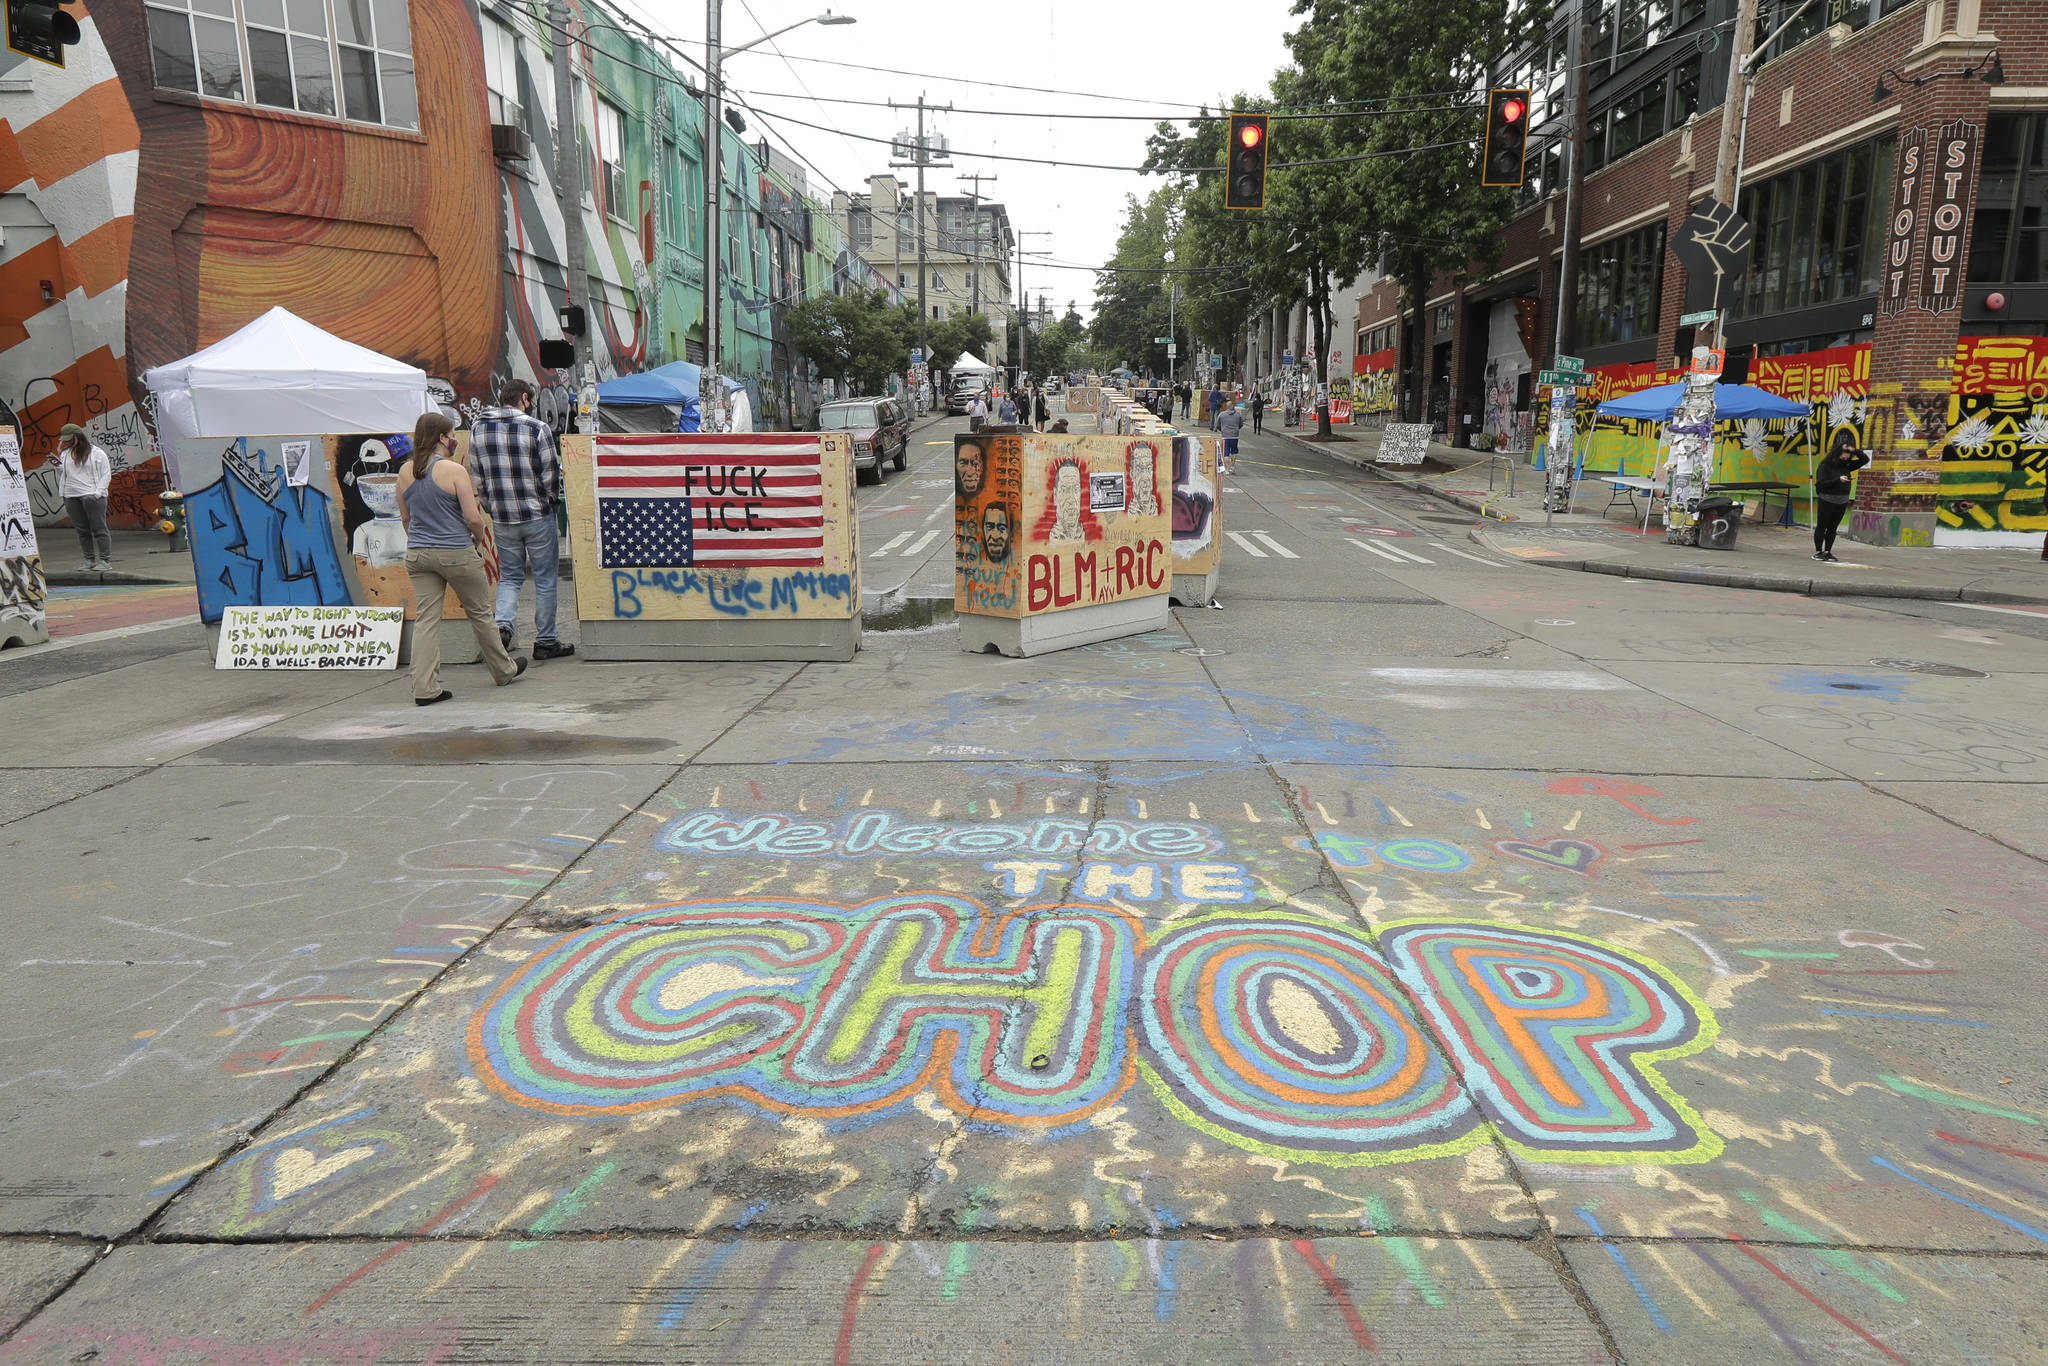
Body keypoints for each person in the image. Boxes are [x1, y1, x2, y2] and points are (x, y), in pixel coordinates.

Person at [398, 413, 526, 706]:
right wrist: (478, 541)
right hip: (456, 551)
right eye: (452, 433)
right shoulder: (454, 471)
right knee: (480, 613)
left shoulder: (406, 471)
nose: (455, 438)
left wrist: (420, 540)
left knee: (427, 620)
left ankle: (424, 688)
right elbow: (473, 518)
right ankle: (503, 669)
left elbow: (406, 519)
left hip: (418, 554)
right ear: (443, 438)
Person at [470, 380, 572, 660]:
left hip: (503, 518)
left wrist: (492, 507)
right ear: (524, 398)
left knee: (511, 577)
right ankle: (547, 640)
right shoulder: (536, 429)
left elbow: (477, 475)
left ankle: (503, 626)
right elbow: (550, 473)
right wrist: (550, 504)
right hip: (537, 514)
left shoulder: (478, 430)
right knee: (545, 578)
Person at [54, 424, 112, 572]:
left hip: (91, 495)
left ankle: (105, 560)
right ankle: (89, 559)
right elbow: (65, 473)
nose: (67, 443)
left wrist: (98, 493)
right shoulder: (65, 453)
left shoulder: (96, 453)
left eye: (69, 439)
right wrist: (57, 465)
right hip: (70, 495)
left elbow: (106, 474)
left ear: (77, 437)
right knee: (82, 530)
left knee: (99, 528)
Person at [1812, 431, 1870, 563]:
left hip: (1842, 500)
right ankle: (1818, 551)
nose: (1847, 457)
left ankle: (1828, 551)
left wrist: (1855, 450)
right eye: (1845, 453)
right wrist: (1838, 480)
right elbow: (1820, 485)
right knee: (1822, 526)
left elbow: (1865, 460)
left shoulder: (1847, 465)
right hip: (1827, 499)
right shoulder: (1825, 466)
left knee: (1833, 528)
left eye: (1849, 454)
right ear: (1838, 452)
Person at [1215, 400, 1244, 474]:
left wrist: (1222, 430)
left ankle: (1227, 469)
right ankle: (1232, 467)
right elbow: (1241, 424)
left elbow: (1217, 425)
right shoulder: (1238, 414)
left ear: (1226, 406)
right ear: (1233, 406)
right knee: (1234, 451)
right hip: (1235, 436)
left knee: (1226, 453)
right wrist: (1236, 429)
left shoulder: (1222, 414)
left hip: (1225, 436)